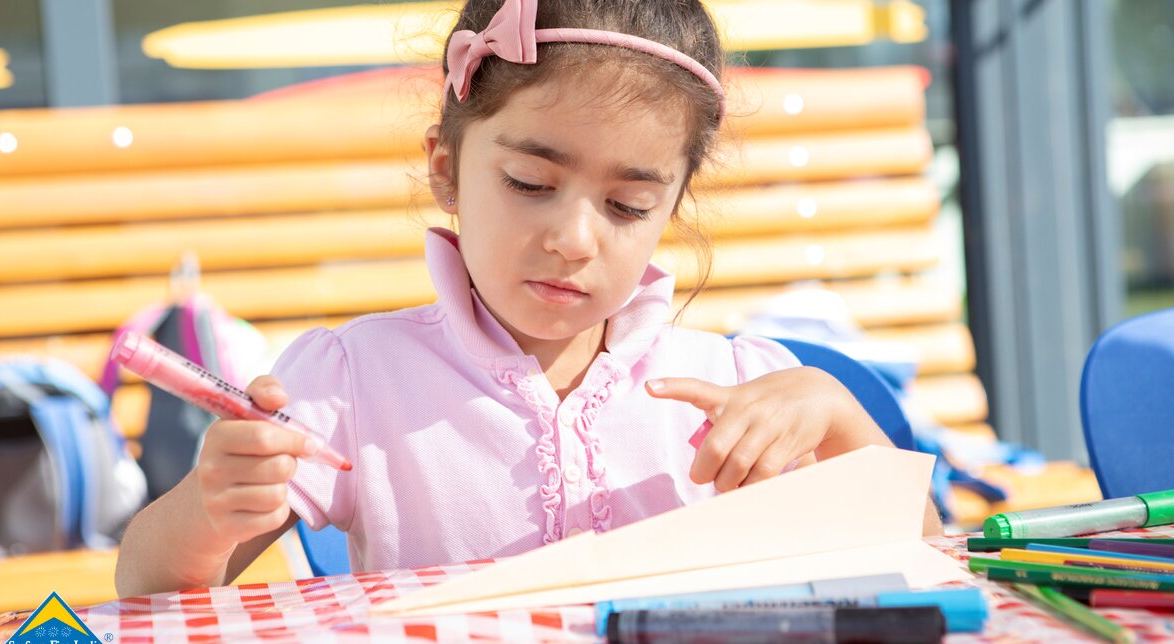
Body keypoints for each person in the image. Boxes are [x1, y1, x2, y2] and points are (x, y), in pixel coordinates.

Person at [116, 0, 941, 597]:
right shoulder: (351, 384)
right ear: (446, 168)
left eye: (627, 206)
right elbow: (148, 588)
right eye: (530, 182)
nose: (576, 238)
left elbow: (939, 571)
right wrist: (212, 507)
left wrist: (839, 420)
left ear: (673, 209)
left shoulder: (737, 385)